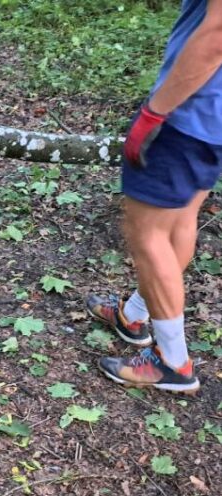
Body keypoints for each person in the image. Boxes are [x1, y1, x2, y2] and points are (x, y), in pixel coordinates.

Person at [86, 0, 222, 394]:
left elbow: (215, 36)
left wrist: (155, 113)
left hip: (188, 115)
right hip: (211, 119)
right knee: (179, 221)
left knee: (147, 234)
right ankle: (132, 317)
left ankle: (173, 362)